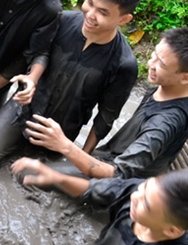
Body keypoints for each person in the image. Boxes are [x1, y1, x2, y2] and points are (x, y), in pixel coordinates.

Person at [0, 0, 144, 170]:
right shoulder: (60, 21)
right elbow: (26, 57)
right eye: (90, 3)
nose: (90, 14)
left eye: (103, 12)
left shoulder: (124, 64)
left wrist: (81, 159)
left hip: (59, 133)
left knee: (30, 179)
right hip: (22, 109)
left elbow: (106, 118)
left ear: (124, 19)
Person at [23, 27, 188, 180]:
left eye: (161, 64)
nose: (151, 64)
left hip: (122, 184)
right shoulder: (166, 87)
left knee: (28, 175)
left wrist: (64, 145)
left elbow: (118, 174)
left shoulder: (162, 124)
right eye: (155, 55)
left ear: (185, 77)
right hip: (110, 158)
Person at [11, 159, 188, 245]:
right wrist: (56, 178)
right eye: (144, 187)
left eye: (146, 205)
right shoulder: (140, 193)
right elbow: (96, 190)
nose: (134, 197)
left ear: (171, 230)